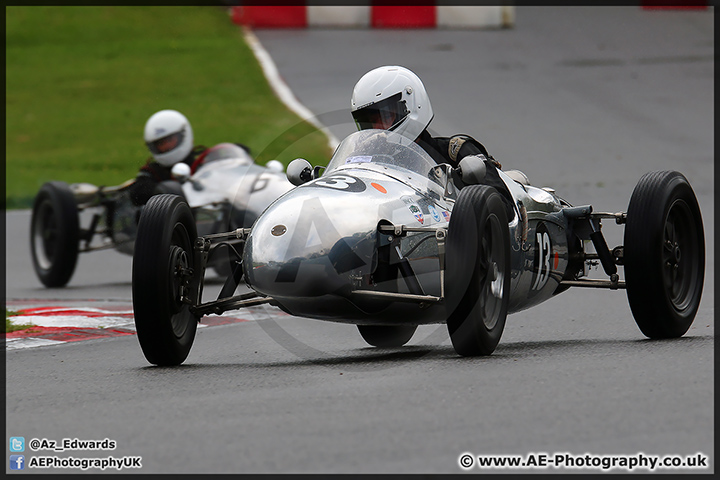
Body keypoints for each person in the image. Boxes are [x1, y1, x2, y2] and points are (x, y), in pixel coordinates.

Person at [350, 65, 516, 211]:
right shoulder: (370, 162)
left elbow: (504, 207)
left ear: (410, 107)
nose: (377, 130)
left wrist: (462, 206)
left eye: (384, 118)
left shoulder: (456, 152)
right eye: (369, 123)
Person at [128, 109, 205, 206]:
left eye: (170, 140)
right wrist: (161, 191)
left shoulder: (202, 163)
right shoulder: (153, 173)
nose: (166, 147)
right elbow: (137, 195)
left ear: (183, 135)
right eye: (160, 143)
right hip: (175, 219)